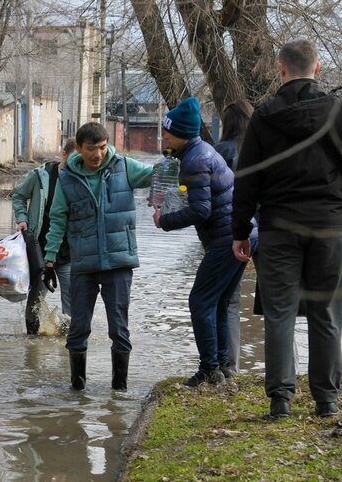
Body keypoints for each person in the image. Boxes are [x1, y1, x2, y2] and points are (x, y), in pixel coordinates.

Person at [231, 39, 342, 419]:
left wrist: (241, 230)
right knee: (326, 312)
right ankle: (326, 400)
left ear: (281, 70)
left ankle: (280, 399)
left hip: (278, 227)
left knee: (280, 313)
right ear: (318, 68)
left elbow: (247, 179)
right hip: (328, 226)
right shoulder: (341, 112)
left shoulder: (262, 117)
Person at [43, 123, 153, 391]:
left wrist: (186, 162)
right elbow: (57, 220)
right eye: (91, 149)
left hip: (119, 263)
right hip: (83, 265)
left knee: (119, 329)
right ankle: (77, 391)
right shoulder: (67, 179)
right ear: (79, 148)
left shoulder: (124, 167)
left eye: (103, 148)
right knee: (78, 329)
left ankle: (119, 391)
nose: (98, 154)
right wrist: (49, 260)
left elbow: (158, 175)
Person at [154, 96, 244, 387]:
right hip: (240, 233)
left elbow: (201, 210)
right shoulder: (199, 152)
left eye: (167, 132)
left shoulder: (194, 159)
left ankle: (208, 369)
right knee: (217, 301)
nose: (163, 136)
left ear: (180, 134)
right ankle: (219, 368)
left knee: (200, 300)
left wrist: (164, 221)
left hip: (226, 237)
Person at [12, 138, 75, 334]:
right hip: (39, 245)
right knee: (37, 296)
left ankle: (68, 340)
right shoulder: (41, 176)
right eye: (75, 158)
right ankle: (32, 341)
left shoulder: (83, 178)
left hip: (68, 249)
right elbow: (19, 195)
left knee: (71, 296)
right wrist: (22, 218)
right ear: (64, 154)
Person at [211, 100, 255, 376]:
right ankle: (285, 369)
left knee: (227, 299)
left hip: (231, 230)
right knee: (276, 303)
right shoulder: (260, 150)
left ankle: (228, 364)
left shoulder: (220, 152)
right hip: (264, 227)